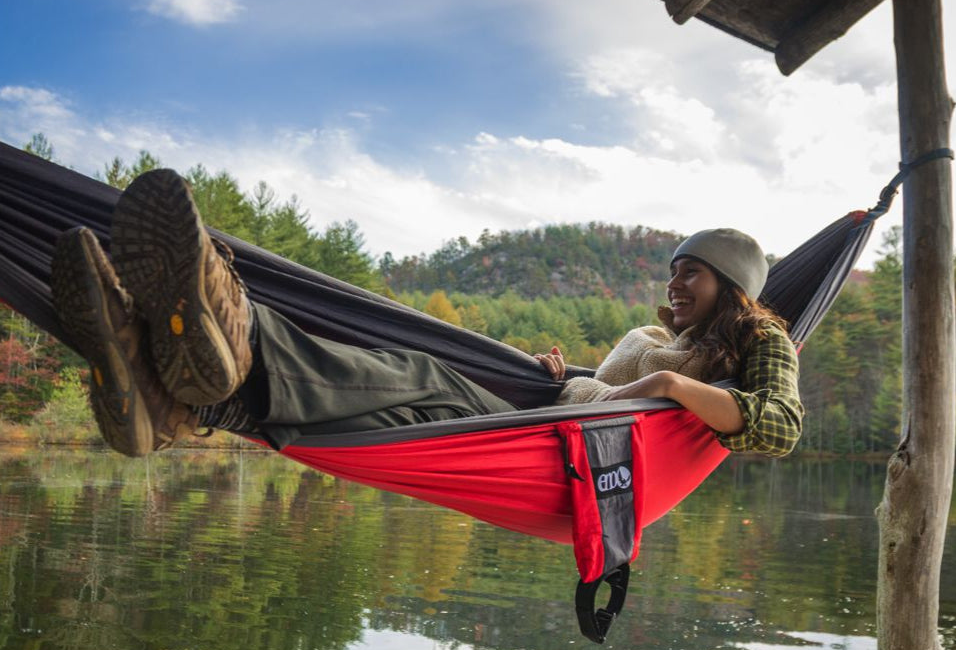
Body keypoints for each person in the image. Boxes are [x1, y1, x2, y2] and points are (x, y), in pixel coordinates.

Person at [51, 170, 802, 460]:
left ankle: (239, 329)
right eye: (672, 272)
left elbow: (780, 427)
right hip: (554, 416)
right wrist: (565, 373)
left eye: (691, 273)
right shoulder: (670, 339)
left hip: (578, 454)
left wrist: (666, 389)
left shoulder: (761, 338)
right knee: (398, 405)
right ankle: (177, 396)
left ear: (732, 287)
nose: (675, 285)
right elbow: (611, 387)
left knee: (418, 375)